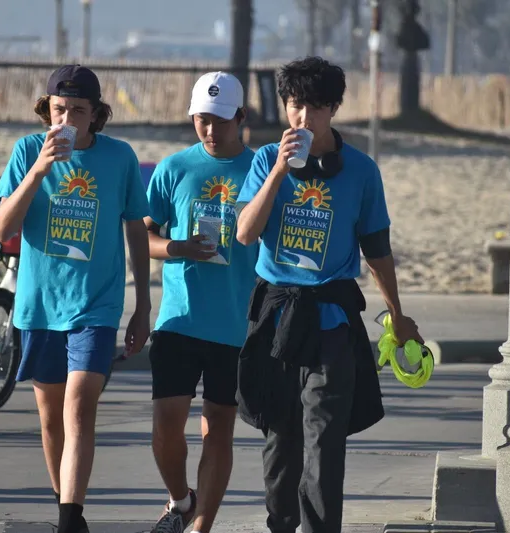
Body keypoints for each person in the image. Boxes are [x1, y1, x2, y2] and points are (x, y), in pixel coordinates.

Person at [234, 56, 425, 533]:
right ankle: (280, 524)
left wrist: (397, 315)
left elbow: (377, 249)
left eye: (316, 107)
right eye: (296, 106)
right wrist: (279, 170)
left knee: (324, 440)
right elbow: (244, 233)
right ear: (284, 107)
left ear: (335, 108)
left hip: (332, 322)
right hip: (276, 318)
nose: (304, 118)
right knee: (281, 441)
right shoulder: (263, 160)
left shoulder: (361, 171)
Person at [0, 65, 151, 533]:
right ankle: (66, 504)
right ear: (48, 110)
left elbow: (136, 231)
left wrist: (142, 304)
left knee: (79, 405)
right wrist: (40, 168)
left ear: (96, 115)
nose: (66, 119)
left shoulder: (119, 158)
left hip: (95, 306)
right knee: (49, 419)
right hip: (40, 305)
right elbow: (4, 229)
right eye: (59, 109)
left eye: (78, 111)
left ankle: (69, 518)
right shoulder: (27, 151)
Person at [144, 72, 258, 533]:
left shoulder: (261, 169)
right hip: (179, 319)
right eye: (202, 120)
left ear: (242, 118)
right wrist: (177, 247)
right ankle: (180, 499)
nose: (211, 130)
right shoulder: (174, 168)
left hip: (236, 324)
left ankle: (201, 526)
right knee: (167, 425)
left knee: (219, 428)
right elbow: (140, 234)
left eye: (221, 121)